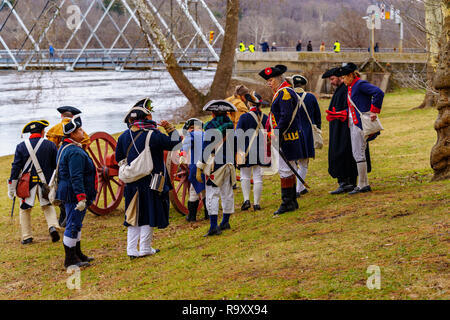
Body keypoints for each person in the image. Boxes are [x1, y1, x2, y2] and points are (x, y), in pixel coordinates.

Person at [116, 98, 181, 259]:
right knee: (149, 213)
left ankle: (131, 249)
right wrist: (169, 128)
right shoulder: (154, 135)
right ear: (146, 118)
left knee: (132, 215)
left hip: (132, 183)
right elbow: (175, 144)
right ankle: (144, 248)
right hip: (152, 181)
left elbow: (119, 157)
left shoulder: (124, 136)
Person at [8, 120, 60, 245]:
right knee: (47, 205)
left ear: (30, 133)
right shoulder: (50, 145)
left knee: (25, 209)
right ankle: (53, 227)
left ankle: (27, 237)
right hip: (45, 182)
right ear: (42, 132)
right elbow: (56, 166)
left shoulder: (21, 146)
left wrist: (12, 188)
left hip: (27, 183)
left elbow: (16, 167)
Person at [259, 65, 302, 216]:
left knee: (285, 169)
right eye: (268, 81)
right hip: (285, 135)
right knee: (289, 168)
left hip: (285, 136)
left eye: (270, 80)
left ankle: (287, 202)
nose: (269, 83)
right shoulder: (282, 92)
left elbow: (286, 116)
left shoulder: (284, 93)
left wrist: (276, 132)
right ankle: (292, 201)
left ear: (278, 79)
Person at [56, 115, 97, 268]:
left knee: (76, 224)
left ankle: (77, 254)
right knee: (73, 225)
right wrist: (81, 197)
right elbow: (76, 176)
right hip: (74, 194)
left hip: (69, 191)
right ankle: (70, 260)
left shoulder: (66, 147)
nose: (82, 132)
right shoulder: (74, 151)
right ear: (72, 134)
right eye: (80, 130)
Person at [339, 62, 384, 194]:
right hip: (354, 123)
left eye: (343, 77)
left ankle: (363, 184)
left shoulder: (359, 84)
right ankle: (363, 183)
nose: (342, 80)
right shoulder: (352, 86)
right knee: (358, 153)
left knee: (358, 153)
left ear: (350, 75)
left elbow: (378, 92)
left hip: (360, 123)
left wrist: (374, 111)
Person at [196, 100, 236, 236]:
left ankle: (213, 226)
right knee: (227, 193)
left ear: (213, 114)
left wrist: (199, 166)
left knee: (212, 195)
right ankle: (225, 222)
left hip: (215, 165)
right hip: (229, 164)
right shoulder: (231, 126)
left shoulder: (210, 128)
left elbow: (206, 148)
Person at [46, 106, 90, 228]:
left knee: (61, 188)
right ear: (72, 117)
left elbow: (51, 148)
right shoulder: (78, 131)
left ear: (61, 116)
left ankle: (63, 216)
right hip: (75, 161)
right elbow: (85, 143)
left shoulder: (53, 130)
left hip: (59, 162)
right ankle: (68, 219)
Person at [323, 67, 361, 194]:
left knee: (345, 154)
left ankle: (347, 182)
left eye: (333, 79)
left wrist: (342, 114)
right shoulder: (341, 90)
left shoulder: (347, 89)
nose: (331, 82)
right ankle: (345, 181)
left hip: (346, 129)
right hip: (339, 128)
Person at [236, 91, 270, 211]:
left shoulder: (244, 117)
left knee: (244, 175)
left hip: (245, 150)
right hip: (261, 151)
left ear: (249, 104)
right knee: (258, 177)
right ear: (260, 105)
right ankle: (256, 203)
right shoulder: (265, 117)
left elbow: (238, 135)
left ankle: (246, 200)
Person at [290, 75, 321, 198]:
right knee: (304, 163)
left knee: (293, 161)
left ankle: (300, 188)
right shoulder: (311, 97)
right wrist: (318, 130)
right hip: (307, 133)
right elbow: (317, 117)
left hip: (293, 132)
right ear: (303, 85)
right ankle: (298, 189)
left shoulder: (288, 97)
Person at [181, 118, 207, 222]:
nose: (190, 130)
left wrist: (182, 154)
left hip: (196, 167)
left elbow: (185, 147)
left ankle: (191, 216)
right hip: (208, 166)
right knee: (206, 190)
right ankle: (208, 214)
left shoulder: (191, 136)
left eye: (192, 128)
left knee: (193, 191)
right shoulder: (207, 135)